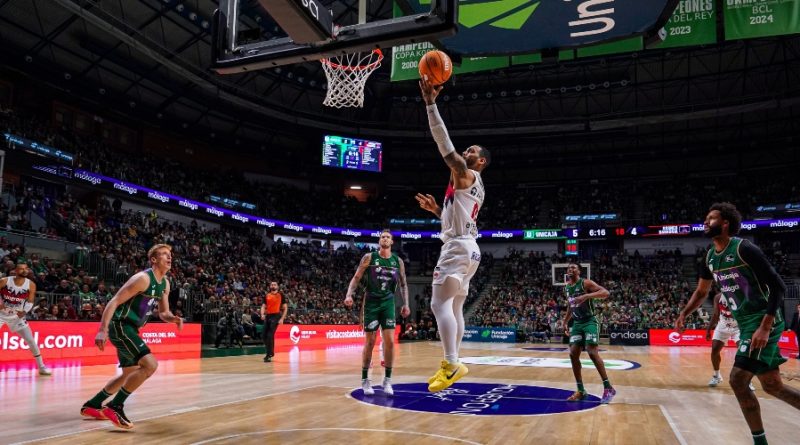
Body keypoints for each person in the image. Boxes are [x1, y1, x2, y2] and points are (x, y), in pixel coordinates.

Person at [676, 203, 800, 445]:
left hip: (763, 319)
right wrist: (684, 313)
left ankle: (759, 442)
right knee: (773, 386)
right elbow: (702, 292)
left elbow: (778, 286)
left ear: (725, 224)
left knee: (737, 379)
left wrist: (766, 325)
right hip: (744, 323)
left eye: (710, 218)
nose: (705, 222)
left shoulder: (745, 249)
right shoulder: (709, 257)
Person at [415, 75, 490, 393]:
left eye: (471, 150)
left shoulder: (467, 172)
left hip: (458, 248)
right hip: (469, 247)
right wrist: (437, 211)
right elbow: (458, 214)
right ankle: (453, 360)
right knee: (455, 306)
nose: (466, 151)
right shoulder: (472, 185)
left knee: (438, 305)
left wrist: (431, 104)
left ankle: (451, 363)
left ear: (480, 161)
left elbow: (444, 146)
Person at [80, 244, 183, 430]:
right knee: (150, 365)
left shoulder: (165, 283)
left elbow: (163, 313)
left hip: (132, 329)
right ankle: (115, 406)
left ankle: (93, 404)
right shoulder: (142, 279)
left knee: (128, 374)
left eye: (170, 255)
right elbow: (114, 301)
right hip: (121, 325)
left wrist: (173, 318)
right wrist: (103, 329)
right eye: (164, 255)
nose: (169, 258)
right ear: (153, 260)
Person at [345, 230, 410, 396]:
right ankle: (365, 379)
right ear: (379, 240)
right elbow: (356, 277)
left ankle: (387, 381)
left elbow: (403, 284)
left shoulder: (398, 261)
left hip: (388, 302)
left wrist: (406, 304)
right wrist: (349, 294)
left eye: (388, 237)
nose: (385, 239)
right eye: (382, 237)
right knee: (370, 341)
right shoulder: (369, 257)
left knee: (389, 342)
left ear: (392, 241)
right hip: (371, 302)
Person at [561, 261, 616, 404]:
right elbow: (570, 305)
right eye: (569, 268)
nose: (570, 269)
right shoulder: (566, 287)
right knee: (573, 354)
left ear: (579, 271)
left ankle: (608, 387)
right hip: (577, 323)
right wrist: (565, 321)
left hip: (590, 321)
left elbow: (605, 293)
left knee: (592, 352)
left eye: (573, 267)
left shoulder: (586, 283)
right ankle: (580, 390)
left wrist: (586, 296)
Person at [0, 262, 51, 375]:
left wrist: (24, 311)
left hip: (16, 317)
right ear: (16, 271)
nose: (24, 270)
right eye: (21, 269)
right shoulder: (5, 281)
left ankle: (42, 367)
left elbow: (31, 301)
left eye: (26, 269)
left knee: (31, 341)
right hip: (1, 314)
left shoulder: (31, 284)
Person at [705, 292, 755, 391]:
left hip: (738, 327)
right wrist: (708, 329)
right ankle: (716, 376)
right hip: (722, 326)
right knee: (714, 351)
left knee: (744, 352)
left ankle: (747, 380)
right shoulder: (718, 297)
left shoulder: (741, 296)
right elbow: (715, 314)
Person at [261, 281, 286, 362]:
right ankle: (270, 352)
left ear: (277, 286)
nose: (273, 285)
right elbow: (263, 306)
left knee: (270, 335)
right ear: (269, 286)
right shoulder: (267, 295)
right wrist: (262, 314)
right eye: (271, 284)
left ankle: (269, 355)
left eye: (275, 284)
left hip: (276, 316)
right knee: (263, 335)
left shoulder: (281, 295)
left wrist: (282, 318)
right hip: (268, 316)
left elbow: (285, 308)